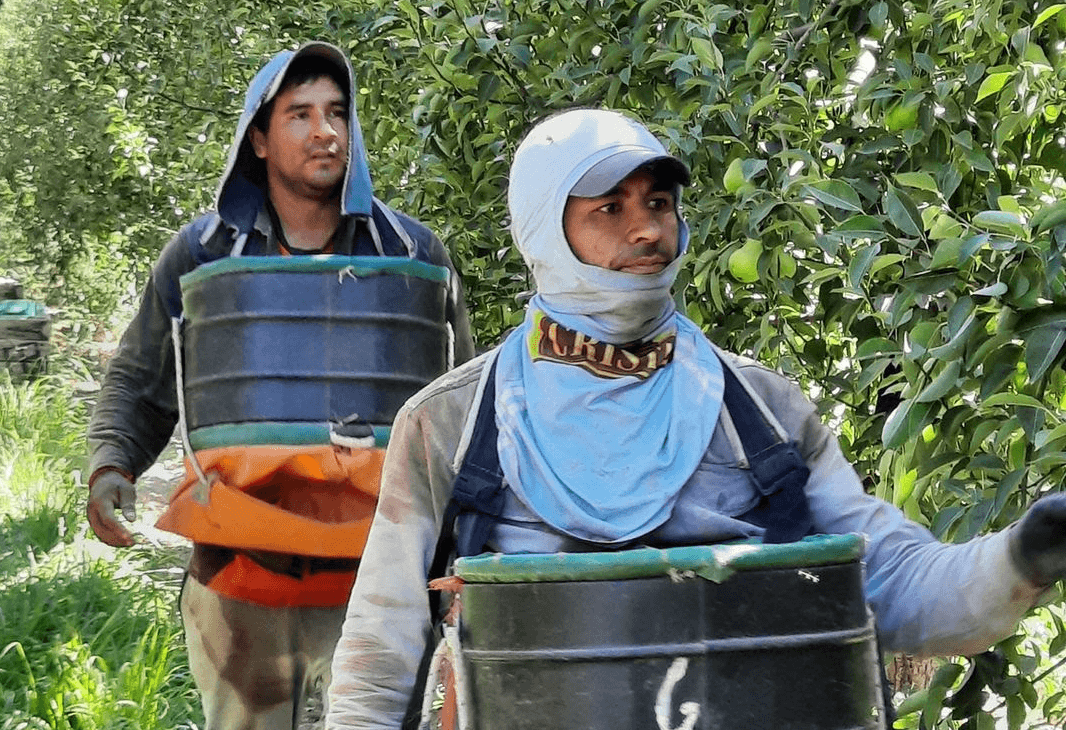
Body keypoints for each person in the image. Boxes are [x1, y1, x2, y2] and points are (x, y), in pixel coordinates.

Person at [323, 108, 1066, 728]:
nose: (648, 230)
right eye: (610, 209)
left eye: (658, 203)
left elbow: (895, 584)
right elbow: (380, 654)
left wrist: (1024, 556)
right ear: (545, 232)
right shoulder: (454, 422)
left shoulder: (761, 414)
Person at [85, 41, 474, 730]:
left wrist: (471, 545)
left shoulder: (413, 259)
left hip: (379, 584)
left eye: (337, 112)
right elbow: (141, 381)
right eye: (300, 114)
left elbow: (461, 416)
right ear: (259, 139)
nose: (325, 130)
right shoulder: (204, 256)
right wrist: (111, 464)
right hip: (243, 582)